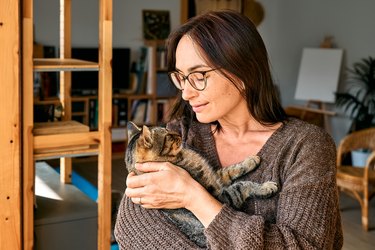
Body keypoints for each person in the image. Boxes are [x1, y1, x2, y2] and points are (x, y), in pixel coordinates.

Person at [114, 10, 343, 249]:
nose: (186, 92)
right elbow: (131, 224)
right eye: (181, 77)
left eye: (199, 75)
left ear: (243, 72)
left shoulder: (306, 147)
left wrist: (193, 197)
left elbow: (305, 246)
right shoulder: (180, 134)